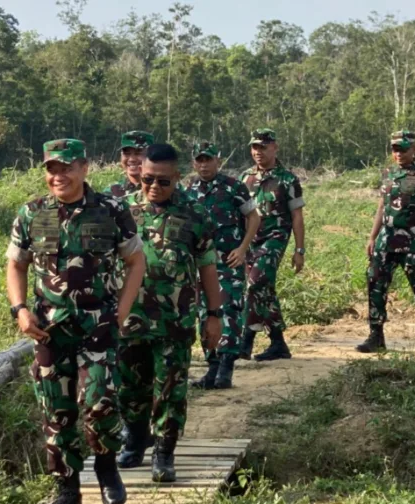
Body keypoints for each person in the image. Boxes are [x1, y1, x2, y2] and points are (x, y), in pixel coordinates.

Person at [5, 138, 146, 504]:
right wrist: (20, 310)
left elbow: (136, 261)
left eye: (67, 167)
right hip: (50, 328)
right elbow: (15, 264)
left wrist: (121, 312)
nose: (59, 176)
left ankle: (105, 464)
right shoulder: (32, 212)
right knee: (57, 410)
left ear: (85, 168)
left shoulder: (111, 210)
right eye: (52, 168)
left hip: (97, 324)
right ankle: (67, 493)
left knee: (99, 399)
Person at [114, 143, 224, 481]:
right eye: (147, 179)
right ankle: (134, 441)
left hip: (174, 320)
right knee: (129, 386)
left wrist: (214, 315)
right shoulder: (120, 211)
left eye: (163, 181)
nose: (154, 188)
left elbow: (207, 268)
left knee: (170, 390)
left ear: (177, 178)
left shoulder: (195, 215)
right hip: (128, 320)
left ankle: (164, 453)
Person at [356, 130, 415, 355]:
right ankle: (376, 336)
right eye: (395, 149)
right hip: (386, 240)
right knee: (375, 284)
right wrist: (372, 237)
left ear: (414, 149)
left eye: (403, 149)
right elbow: (381, 207)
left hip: (413, 241)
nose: (399, 153)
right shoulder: (388, 173)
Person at [186, 141, 260, 389]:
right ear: (194, 162)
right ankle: (212, 368)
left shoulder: (234, 187)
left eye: (208, 159)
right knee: (203, 314)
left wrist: (242, 249)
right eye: (199, 160)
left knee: (229, 310)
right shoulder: (189, 190)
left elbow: (253, 218)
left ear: (219, 160)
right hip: (201, 266)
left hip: (228, 263)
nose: (204, 165)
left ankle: (226, 368)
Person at [239, 129, 306, 362]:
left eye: (263, 147)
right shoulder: (245, 177)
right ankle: (278, 342)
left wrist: (299, 250)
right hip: (249, 241)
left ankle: (247, 339)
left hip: (275, 238)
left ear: (274, 148)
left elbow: (297, 216)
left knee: (255, 283)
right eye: (255, 147)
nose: (258, 152)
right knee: (263, 288)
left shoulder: (287, 179)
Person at [104, 131, 154, 198]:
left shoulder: (160, 190)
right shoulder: (112, 192)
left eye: (138, 153)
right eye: (127, 153)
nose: (132, 159)